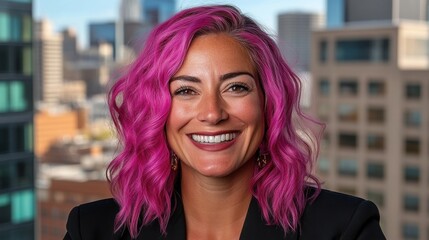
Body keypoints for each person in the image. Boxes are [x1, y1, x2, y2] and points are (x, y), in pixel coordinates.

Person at [64, 5, 386, 240]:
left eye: (236, 87)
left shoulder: (345, 228)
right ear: (157, 111)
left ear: (267, 103)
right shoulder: (92, 229)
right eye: (186, 90)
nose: (212, 113)